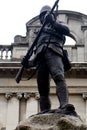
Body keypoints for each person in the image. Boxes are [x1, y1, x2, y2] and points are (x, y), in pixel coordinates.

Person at [22, 5, 71, 112]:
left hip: (54, 52)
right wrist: (27, 63)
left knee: (58, 76)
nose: (45, 16)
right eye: (42, 15)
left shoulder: (58, 25)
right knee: (42, 87)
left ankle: (64, 104)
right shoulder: (38, 34)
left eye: (46, 14)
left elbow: (67, 30)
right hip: (40, 59)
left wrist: (53, 22)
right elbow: (34, 57)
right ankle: (45, 111)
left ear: (52, 15)